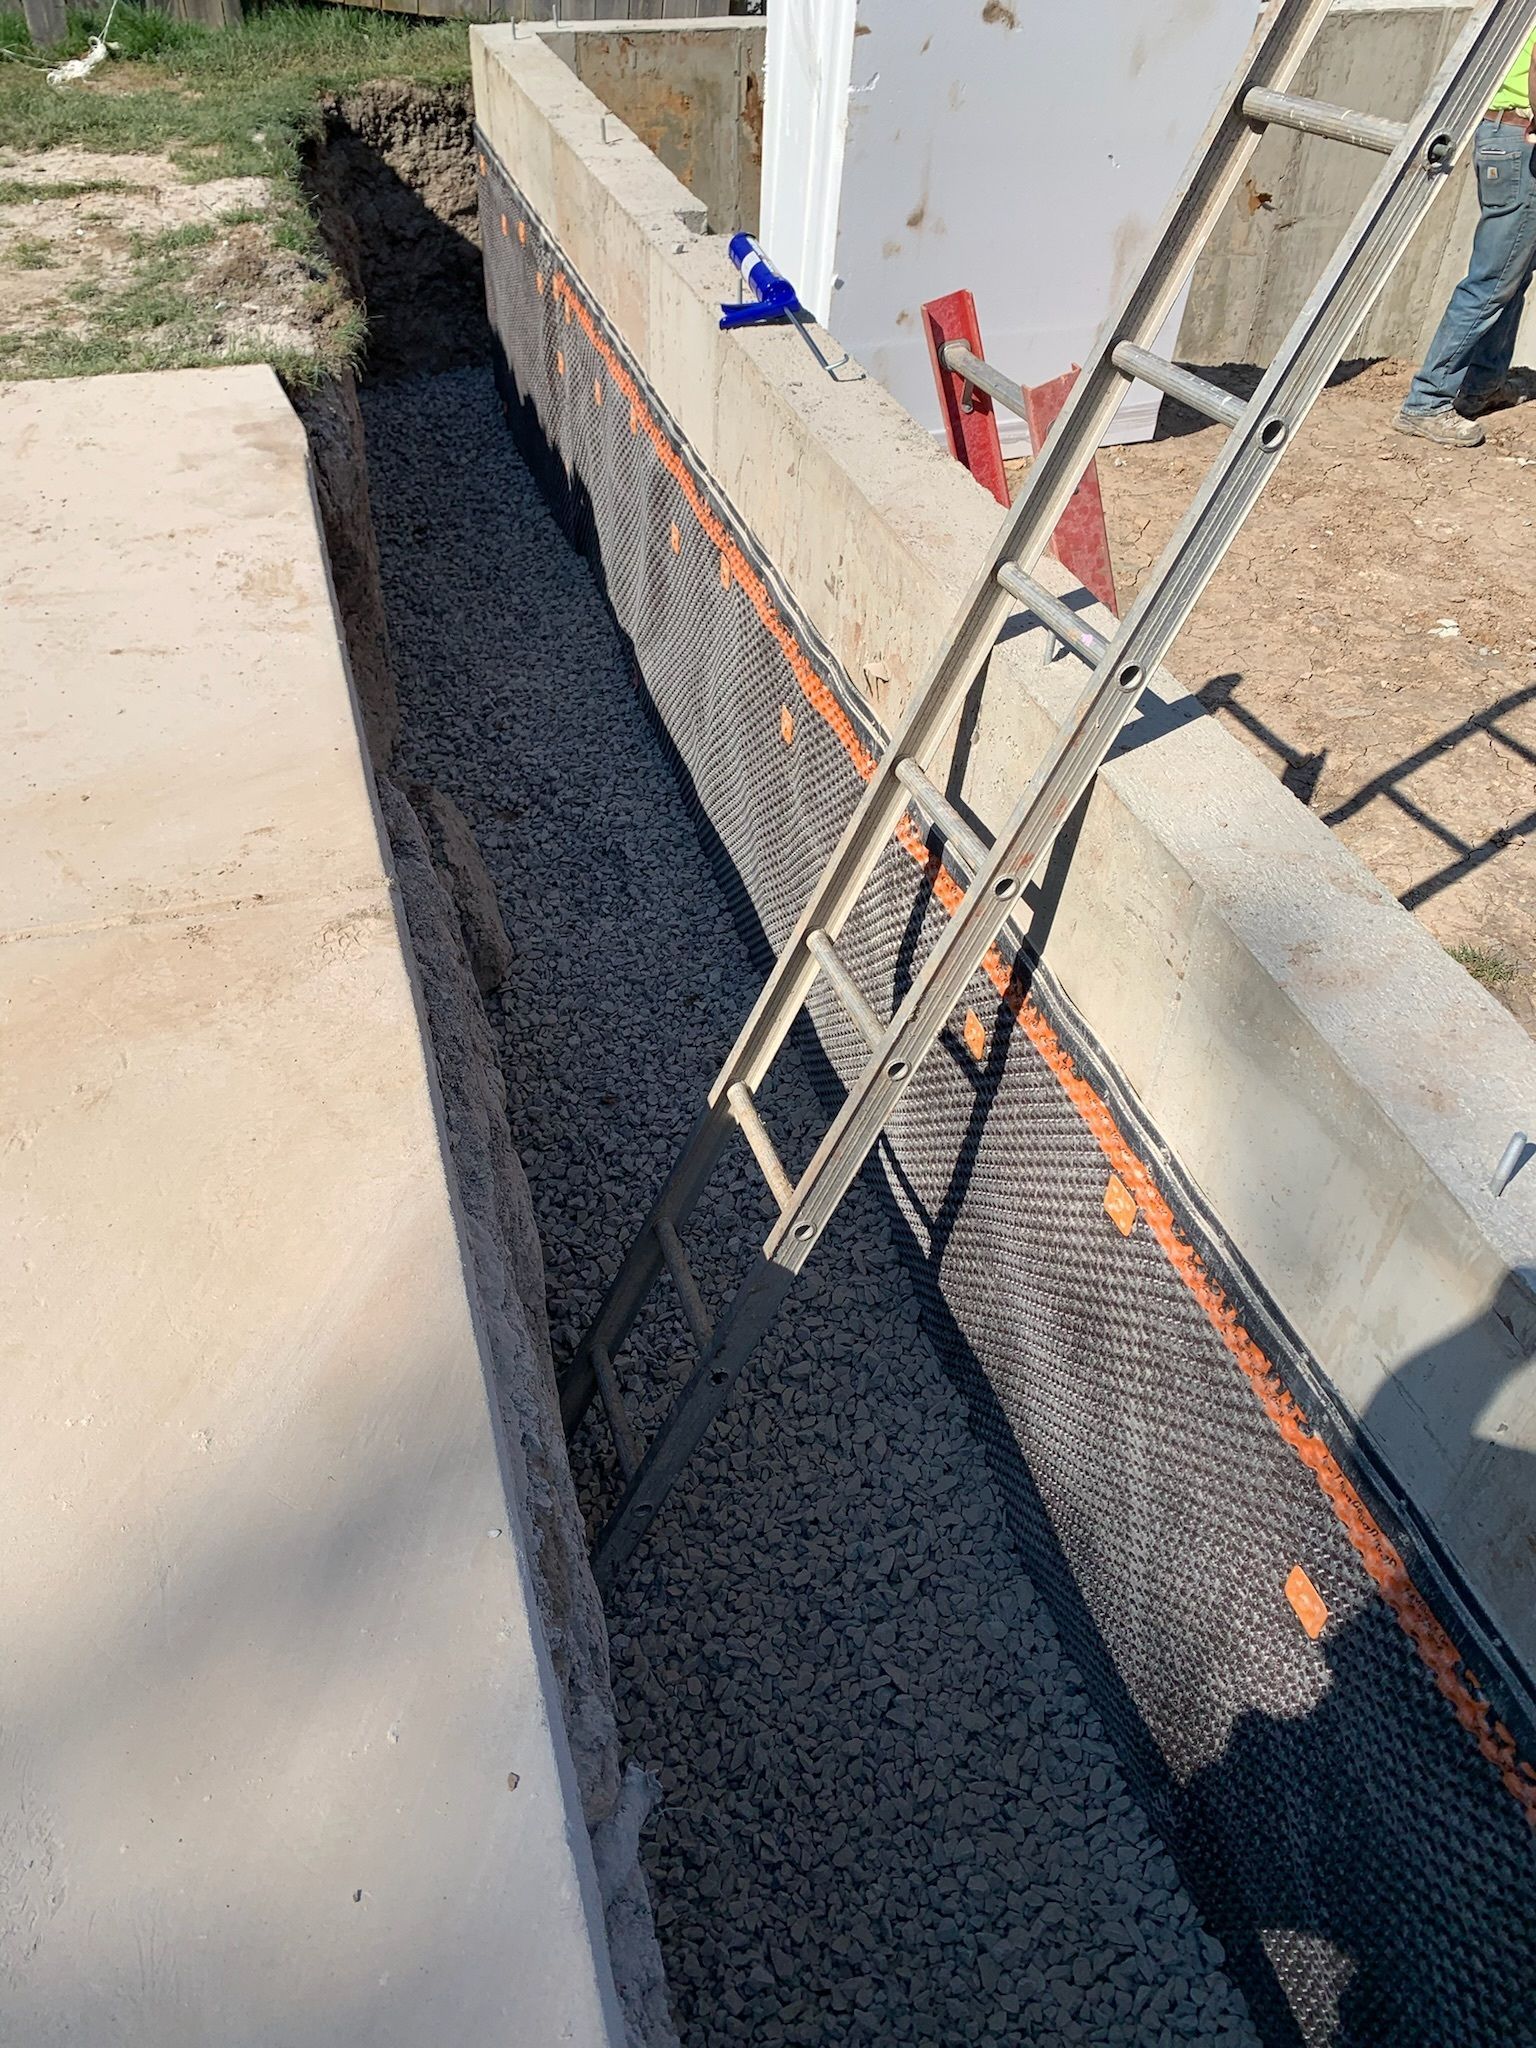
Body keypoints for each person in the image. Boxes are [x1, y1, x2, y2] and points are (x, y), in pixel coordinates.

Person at [1396, 29, 1536, 446]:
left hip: (1503, 135)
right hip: (1521, 139)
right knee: (1492, 281)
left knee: (1514, 274)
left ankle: (1484, 384)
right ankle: (1427, 401)